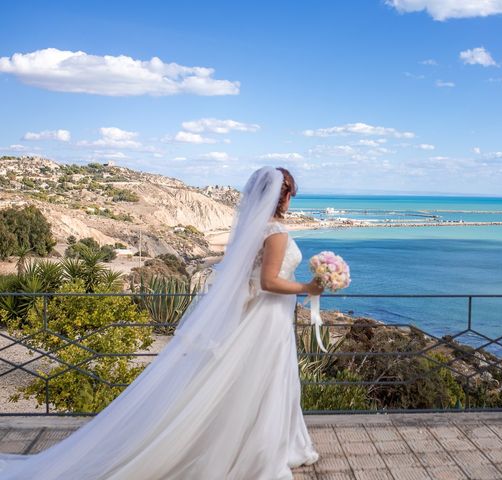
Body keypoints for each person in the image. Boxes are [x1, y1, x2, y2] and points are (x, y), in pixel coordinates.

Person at [0, 166, 323, 479]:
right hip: (267, 318)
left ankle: (253, 446)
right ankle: (260, 455)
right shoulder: (276, 233)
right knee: (267, 383)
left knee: (254, 383)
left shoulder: (253, 229)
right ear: (283, 197)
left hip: (256, 316)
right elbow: (268, 281)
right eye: (290, 194)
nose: (291, 201)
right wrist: (309, 287)